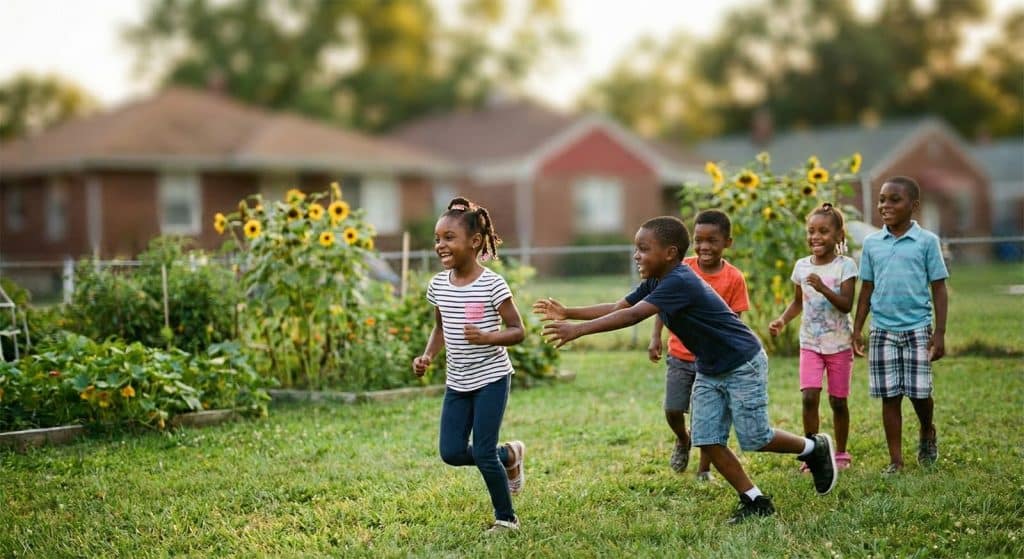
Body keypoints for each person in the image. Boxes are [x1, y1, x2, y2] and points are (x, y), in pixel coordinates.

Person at [534, 216, 837, 524]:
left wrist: (578, 330)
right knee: (707, 438)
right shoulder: (657, 280)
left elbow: (633, 317)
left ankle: (813, 447)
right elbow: (619, 307)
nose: (636, 255)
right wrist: (568, 312)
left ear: (669, 253)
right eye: (635, 249)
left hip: (741, 362)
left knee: (755, 438)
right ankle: (755, 500)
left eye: (643, 248)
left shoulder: (679, 280)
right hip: (708, 366)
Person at [413, 197, 527, 533]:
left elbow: (518, 331)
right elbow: (440, 328)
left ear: (474, 242)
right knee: (450, 451)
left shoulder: (492, 284)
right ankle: (509, 455)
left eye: (449, 238)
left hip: (492, 379)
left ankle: (506, 519)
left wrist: (488, 337)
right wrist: (427, 356)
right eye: (437, 238)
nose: (440, 245)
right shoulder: (438, 285)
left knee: (481, 451)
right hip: (458, 383)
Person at [852, 177, 948, 474]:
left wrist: (940, 333)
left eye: (894, 200)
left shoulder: (927, 242)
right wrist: (857, 328)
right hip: (882, 330)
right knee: (889, 395)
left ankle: (926, 430)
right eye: (882, 199)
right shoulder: (871, 244)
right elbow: (866, 289)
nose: (885, 205)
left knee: (920, 393)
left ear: (914, 206)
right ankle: (896, 460)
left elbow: (939, 288)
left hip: (918, 327)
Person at [648, 210, 749, 481]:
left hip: (713, 361)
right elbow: (659, 304)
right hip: (680, 356)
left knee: (707, 418)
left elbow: (733, 324)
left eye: (712, 240)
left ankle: (704, 470)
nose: (704, 247)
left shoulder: (734, 279)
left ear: (727, 242)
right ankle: (683, 439)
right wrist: (656, 336)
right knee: (673, 408)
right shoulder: (682, 268)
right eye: (698, 240)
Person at [769, 203, 858, 471]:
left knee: (838, 401)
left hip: (839, 344)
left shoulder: (846, 266)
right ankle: (813, 453)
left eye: (823, 231)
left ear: (839, 236)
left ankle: (841, 454)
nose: (815, 237)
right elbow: (798, 302)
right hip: (810, 344)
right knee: (809, 397)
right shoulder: (801, 266)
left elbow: (845, 304)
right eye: (811, 231)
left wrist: (822, 287)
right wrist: (782, 320)